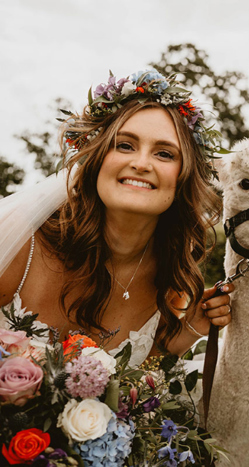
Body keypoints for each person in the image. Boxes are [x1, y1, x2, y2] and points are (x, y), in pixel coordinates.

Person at [0, 70, 233, 365]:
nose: (141, 163)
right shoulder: (21, 243)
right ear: (97, 159)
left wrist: (188, 331)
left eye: (164, 154)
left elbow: (130, 389)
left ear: (183, 177)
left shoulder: (173, 283)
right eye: (124, 145)